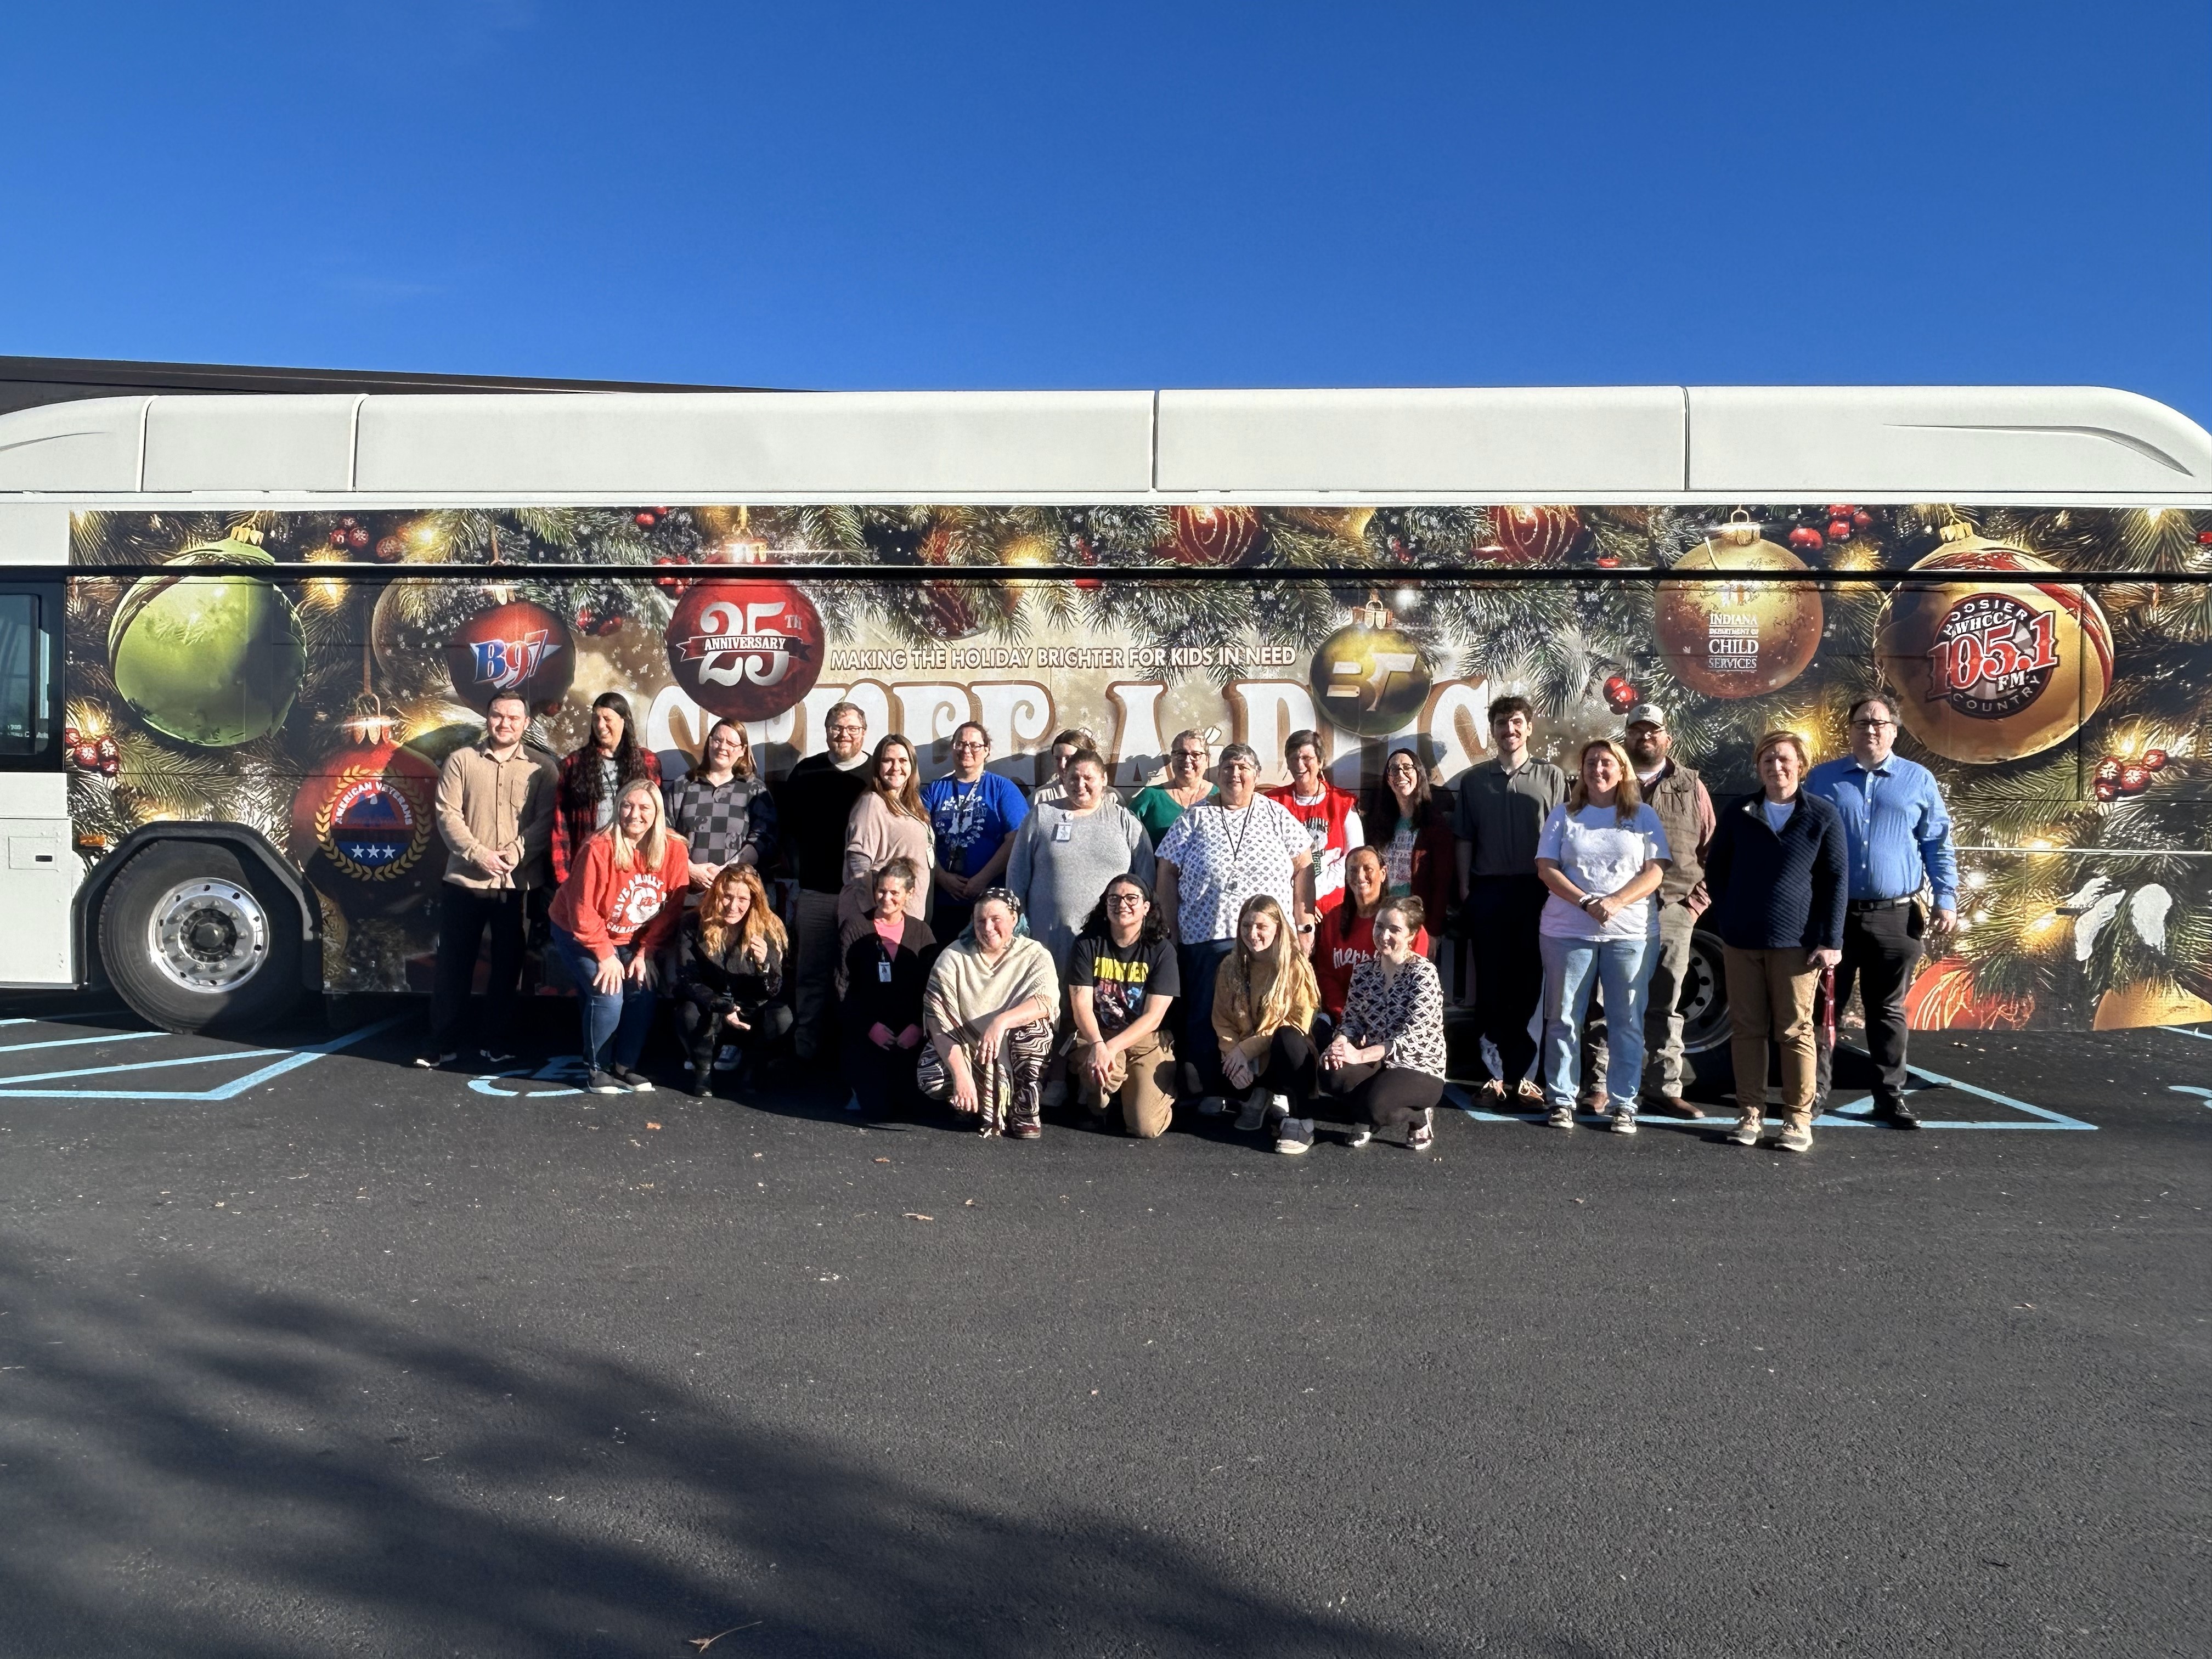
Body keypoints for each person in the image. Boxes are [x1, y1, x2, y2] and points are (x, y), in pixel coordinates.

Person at [1805, 696, 1959, 1130]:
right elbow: (1804, 843)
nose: (1870, 729)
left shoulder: (1917, 780)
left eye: (1879, 723)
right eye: (1861, 723)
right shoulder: (1824, 780)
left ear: (1894, 730)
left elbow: (1937, 843)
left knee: (1887, 1010)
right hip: (1832, 918)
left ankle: (1889, 1097)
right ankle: (1813, 1094)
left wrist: (1946, 896)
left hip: (1895, 916)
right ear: (1849, 730)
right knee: (1821, 1010)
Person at [1703, 731, 1848, 1153]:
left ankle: (1797, 1121)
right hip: (1742, 940)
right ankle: (1750, 1114)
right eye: (1767, 760)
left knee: (1794, 1031)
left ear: (1800, 765)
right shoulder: (1739, 812)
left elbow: (1835, 880)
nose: (1775, 766)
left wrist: (1831, 938)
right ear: (1758, 767)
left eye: (1783, 759)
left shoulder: (1821, 815)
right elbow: (1717, 869)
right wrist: (1729, 916)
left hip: (1797, 945)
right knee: (1747, 1029)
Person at [1155, 743, 1317, 1103]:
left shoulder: (1276, 814)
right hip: (1204, 935)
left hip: (1266, 941)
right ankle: (1211, 1088)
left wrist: (1304, 923)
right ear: (1217, 774)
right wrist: (1170, 927)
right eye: (1227, 767)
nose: (1234, 774)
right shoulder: (1193, 817)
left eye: (1243, 767)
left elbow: (1305, 864)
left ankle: (1266, 1092)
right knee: (1204, 1016)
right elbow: (1166, 870)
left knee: (1266, 1015)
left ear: (1256, 775)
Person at [1533, 738, 1671, 1133]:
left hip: (1629, 934)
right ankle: (1561, 1099)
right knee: (1563, 1018)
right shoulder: (1564, 815)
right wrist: (1586, 902)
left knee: (1625, 1019)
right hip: (1566, 931)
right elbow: (1547, 868)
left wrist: (1614, 902)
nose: (1598, 769)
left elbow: (1655, 871)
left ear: (1622, 769)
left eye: (1607, 762)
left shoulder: (1642, 816)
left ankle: (1624, 1102)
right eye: (1591, 762)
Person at [1584, 706, 1715, 1119]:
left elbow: (1712, 849)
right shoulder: (1609, 783)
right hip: (1618, 910)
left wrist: (1695, 905)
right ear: (1626, 738)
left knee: (1666, 1001)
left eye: (1653, 731)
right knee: (1606, 1002)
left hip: (1674, 909)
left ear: (1667, 739)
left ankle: (1663, 1086)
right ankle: (1600, 1086)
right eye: (1637, 730)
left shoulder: (1691, 785)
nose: (1645, 737)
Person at [416, 689, 556, 1071]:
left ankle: (494, 1042)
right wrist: (479, 854)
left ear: (526, 723)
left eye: (514, 717)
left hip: (517, 887)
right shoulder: (462, 761)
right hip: (465, 882)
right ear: (487, 717)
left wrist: (514, 854)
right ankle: (440, 1044)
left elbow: (546, 820)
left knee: (508, 968)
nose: (505, 723)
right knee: (453, 967)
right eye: (498, 715)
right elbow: (447, 814)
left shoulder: (542, 769)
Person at [1453, 696, 1567, 1106]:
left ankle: (1527, 1076)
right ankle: (1493, 1075)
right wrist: (1467, 890)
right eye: (1502, 723)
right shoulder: (1474, 781)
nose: (1509, 730)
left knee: (1532, 985)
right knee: (1491, 984)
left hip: (1537, 892)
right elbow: (1464, 839)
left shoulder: (1551, 777)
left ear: (1529, 727)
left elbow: (1563, 838)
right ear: (1493, 730)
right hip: (1489, 892)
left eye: (1516, 722)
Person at [546, 777, 690, 1094]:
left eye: (644, 807)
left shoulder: (674, 849)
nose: (634, 814)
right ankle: (597, 1069)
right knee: (609, 994)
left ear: (657, 813)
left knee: (643, 990)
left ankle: (625, 1066)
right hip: (577, 929)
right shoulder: (598, 848)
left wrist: (645, 953)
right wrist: (604, 954)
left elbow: (671, 909)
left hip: (632, 938)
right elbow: (582, 911)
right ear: (617, 808)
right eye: (627, 805)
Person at [1310, 896, 1448, 1155]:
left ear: (1411, 935)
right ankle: (1366, 1113)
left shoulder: (1423, 973)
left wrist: (1360, 1055)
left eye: (1394, 930)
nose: (1384, 935)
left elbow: (1412, 1037)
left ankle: (1418, 1118)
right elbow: (1351, 1021)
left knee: (1377, 1106)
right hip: (1378, 1063)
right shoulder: (1364, 971)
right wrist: (1340, 1045)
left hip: (1418, 1066)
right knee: (1330, 1073)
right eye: (1379, 926)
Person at [918, 889, 1059, 1138]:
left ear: (1014, 919)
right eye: (981, 921)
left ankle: (1023, 1108)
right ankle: (967, 1100)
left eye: (996, 919)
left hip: (1010, 1046)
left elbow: (1044, 1002)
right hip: (968, 1049)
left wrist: (1001, 1022)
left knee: (1034, 1034)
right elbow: (936, 1023)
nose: (988, 927)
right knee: (931, 1076)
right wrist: (961, 1076)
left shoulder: (1035, 955)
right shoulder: (953, 956)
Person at [776, 700, 873, 1062]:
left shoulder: (877, 774)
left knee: (860, 979)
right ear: (827, 730)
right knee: (811, 977)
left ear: (864, 733)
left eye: (851, 728)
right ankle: (806, 1054)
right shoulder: (806, 773)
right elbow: (787, 830)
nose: (843, 734)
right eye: (837, 727)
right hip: (816, 892)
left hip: (863, 896)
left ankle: (855, 1059)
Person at [1006, 747, 1154, 979]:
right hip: (1049, 940)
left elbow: (1146, 879)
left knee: (1101, 1008)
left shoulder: (1125, 821)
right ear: (1063, 778)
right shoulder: (1042, 816)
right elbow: (1017, 876)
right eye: (1073, 778)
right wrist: (1017, 926)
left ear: (1104, 780)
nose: (1080, 784)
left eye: (1088, 778)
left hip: (1108, 941)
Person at [1065, 874, 1180, 1138]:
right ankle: (1100, 1104)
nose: (1122, 904)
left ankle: (1153, 1091)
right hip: (1097, 1032)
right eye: (1114, 898)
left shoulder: (1162, 950)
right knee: (1106, 1069)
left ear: (1146, 907)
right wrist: (1098, 1046)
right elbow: (1080, 1004)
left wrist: (1113, 1047)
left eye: (1131, 898)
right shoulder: (1088, 944)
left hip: (1144, 1039)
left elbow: (1153, 1016)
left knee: (1145, 1127)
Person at [671, 864, 793, 1097]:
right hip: (713, 1006)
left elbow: (775, 989)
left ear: (754, 901)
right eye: (727, 896)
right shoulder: (692, 923)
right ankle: (703, 1072)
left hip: (750, 1010)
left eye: (742, 899)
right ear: (716, 894)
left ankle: (752, 1070)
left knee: (781, 1017)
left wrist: (764, 964)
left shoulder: (770, 927)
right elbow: (688, 980)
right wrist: (722, 1006)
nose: (733, 906)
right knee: (686, 1012)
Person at [1212, 894, 1323, 1136]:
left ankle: (1289, 1102)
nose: (1253, 934)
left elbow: (1297, 1024)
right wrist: (1233, 1055)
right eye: (1246, 926)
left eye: (1262, 926)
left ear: (1278, 929)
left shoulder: (1296, 966)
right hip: (1243, 1057)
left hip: (1279, 1055)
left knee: (1288, 1039)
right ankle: (1257, 1093)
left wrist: (1247, 1049)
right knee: (1196, 1067)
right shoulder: (1230, 966)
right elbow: (1222, 1020)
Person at [838, 858, 936, 1119]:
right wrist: (869, 1027)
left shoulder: (922, 933)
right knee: (876, 1108)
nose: (886, 898)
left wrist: (918, 1027)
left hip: (910, 1035)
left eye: (895, 893)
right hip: (869, 1032)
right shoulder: (856, 927)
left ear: (909, 893)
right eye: (881, 891)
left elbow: (933, 989)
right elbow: (842, 987)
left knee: (913, 1107)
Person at [921, 720, 1028, 941]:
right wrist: (940, 876)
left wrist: (982, 879)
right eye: (960, 744)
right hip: (942, 901)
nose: (966, 750)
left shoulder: (1002, 789)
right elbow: (918, 835)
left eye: (974, 745)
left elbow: (1016, 839)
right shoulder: (935, 790)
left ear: (986, 750)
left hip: (988, 904)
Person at [1313, 846, 1431, 1029]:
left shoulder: (1406, 926)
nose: (1360, 877)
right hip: (1342, 1022)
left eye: (1368, 869)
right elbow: (1326, 976)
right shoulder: (1333, 921)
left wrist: (1373, 1020)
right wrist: (1345, 1015)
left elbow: (1411, 981)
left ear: (1383, 873)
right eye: (1353, 870)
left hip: (1391, 1022)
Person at [551, 691, 662, 886]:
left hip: (634, 864)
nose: (600, 725)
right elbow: (561, 824)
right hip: (589, 863)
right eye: (596, 719)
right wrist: (564, 876)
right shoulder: (574, 764)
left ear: (624, 720)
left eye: (607, 718)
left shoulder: (648, 763)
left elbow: (657, 819)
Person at [662, 719, 777, 902]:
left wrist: (726, 871)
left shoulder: (753, 789)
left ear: (742, 750)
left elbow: (765, 837)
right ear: (709, 742)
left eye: (731, 744)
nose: (722, 747)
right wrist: (689, 869)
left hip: (736, 897)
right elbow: (664, 832)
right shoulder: (684, 785)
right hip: (687, 895)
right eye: (717, 740)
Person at [1264, 728, 1362, 919]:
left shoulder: (1342, 803)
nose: (1300, 765)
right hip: (1287, 908)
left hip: (1336, 909)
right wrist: (1300, 899)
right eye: (1293, 758)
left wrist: (1312, 892)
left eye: (1307, 758)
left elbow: (1355, 855)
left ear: (1320, 762)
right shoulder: (1273, 803)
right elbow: (1268, 858)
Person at [1362, 747, 1455, 935]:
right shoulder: (1379, 825)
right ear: (1388, 779)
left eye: (1407, 768)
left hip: (1417, 921)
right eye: (1394, 769)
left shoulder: (1434, 824)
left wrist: (1433, 931)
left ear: (1419, 774)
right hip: (1383, 919)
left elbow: (1442, 882)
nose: (1400, 774)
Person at [843, 734, 934, 922]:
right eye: (888, 761)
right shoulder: (872, 803)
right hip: (883, 920)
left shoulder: (912, 804)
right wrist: (873, 915)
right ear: (877, 766)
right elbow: (858, 865)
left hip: (908, 919)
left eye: (903, 760)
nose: (896, 768)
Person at [1128, 729, 1215, 847]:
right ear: (1172, 758)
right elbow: (1124, 837)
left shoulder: (1220, 798)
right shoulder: (1150, 797)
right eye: (1181, 754)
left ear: (1207, 760)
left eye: (1196, 755)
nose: (1187, 760)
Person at [1030, 728, 1100, 806]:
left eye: (1069, 758)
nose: (1062, 765)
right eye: (1058, 758)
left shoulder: (1109, 797)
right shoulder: (1041, 797)